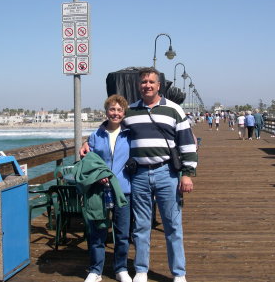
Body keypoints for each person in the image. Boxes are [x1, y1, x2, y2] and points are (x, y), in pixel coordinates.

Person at [81, 67, 197, 282]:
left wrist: (187, 174)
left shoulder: (174, 110)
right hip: (139, 175)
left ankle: (179, 273)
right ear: (139, 85)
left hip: (167, 173)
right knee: (141, 226)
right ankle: (141, 270)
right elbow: (110, 126)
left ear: (159, 85)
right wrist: (88, 142)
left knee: (173, 225)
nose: (147, 85)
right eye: (144, 82)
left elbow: (187, 143)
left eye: (151, 82)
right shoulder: (131, 111)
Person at [84, 95, 132, 282]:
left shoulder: (130, 134)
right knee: (98, 232)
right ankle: (96, 270)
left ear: (124, 112)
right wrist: (98, 176)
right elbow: (90, 161)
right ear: (106, 111)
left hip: (124, 190)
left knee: (122, 232)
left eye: (119, 110)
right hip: (100, 190)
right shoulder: (96, 135)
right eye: (112, 109)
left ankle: (121, 268)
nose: (116, 113)